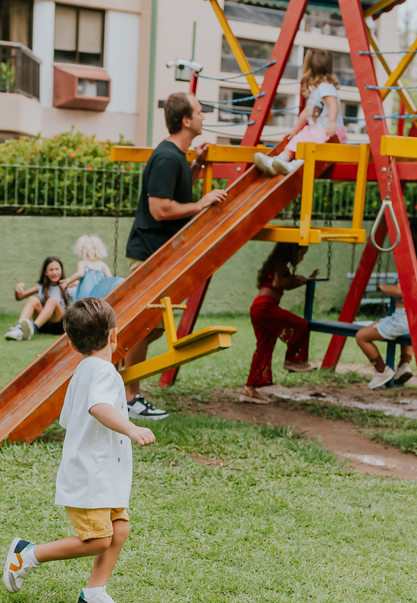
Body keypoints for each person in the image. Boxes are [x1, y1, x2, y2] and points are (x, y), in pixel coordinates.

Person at [1, 297, 156, 603]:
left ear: (71, 343)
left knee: (119, 528)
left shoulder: (84, 370)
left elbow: (70, 420)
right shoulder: (102, 372)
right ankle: (28, 555)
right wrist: (130, 428)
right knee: (99, 539)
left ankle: (93, 595)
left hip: (104, 472)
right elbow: (97, 408)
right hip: (91, 473)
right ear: (114, 335)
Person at [121, 91, 229, 421]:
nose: (203, 117)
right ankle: (129, 396)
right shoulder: (168, 158)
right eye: (199, 112)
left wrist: (195, 165)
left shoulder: (178, 157)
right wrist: (201, 203)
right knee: (142, 327)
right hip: (148, 255)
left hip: (158, 254)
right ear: (185, 120)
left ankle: (120, 380)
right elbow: (160, 208)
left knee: (150, 328)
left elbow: (173, 194)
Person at [356, 219, 417, 389]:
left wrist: (384, 287)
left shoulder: (407, 266)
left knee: (361, 336)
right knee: (407, 331)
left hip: (403, 318)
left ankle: (381, 371)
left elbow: (401, 291)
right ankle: (404, 365)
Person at [240, 243, 319, 404]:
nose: (302, 258)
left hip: (259, 307)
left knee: (264, 348)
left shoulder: (278, 265)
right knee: (300, 324)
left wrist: (304, 280)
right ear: (292, 252)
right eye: (301, 254)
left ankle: (250, 389)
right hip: (265, 307)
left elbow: (285, 285)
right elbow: (277, 283)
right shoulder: (281, 265)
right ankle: (293, 360)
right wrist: (295, 278)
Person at [254, 50, 349, 177]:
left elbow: (333, 103)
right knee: (298, 137)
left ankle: (296, 164)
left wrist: (332, 122)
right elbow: (305, 113)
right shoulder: (317, 91)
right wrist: (294, 131)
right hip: (318, 129)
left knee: (313, 144)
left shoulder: (326, 87)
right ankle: (279, 160)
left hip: (330, 132)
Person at [4, 256, 73, 341]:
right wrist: (17, 289)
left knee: (52, 301)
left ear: (61, 270)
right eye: (51, 270)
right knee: (33, 299)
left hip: (59, 326)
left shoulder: (68, 285)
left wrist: (74, 282)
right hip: (43, 325)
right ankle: (19, 329)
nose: (55, 272)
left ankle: (32, 328)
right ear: (45, 272)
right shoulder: (41, 287)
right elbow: (20, 297)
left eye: (57, 269)